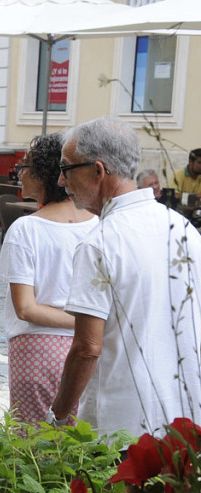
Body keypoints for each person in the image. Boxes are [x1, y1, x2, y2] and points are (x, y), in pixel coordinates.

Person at [49, 117, 201, 436]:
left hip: (122, 426)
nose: (61, 181)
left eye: (65, 168)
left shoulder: (100, 242)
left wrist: (58, 416)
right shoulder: (183, 228)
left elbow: (87, 348)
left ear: (98, 171)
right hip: (186, 420)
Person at [0, 133, 97, 427]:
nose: (19, 173)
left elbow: (25, 308)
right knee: (80, 445)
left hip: (36, 348)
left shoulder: (26, 230)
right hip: (90, 346)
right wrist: (90, 322)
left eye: (24, 166)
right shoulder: (99, 225)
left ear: (44, 174)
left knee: (33, 449)